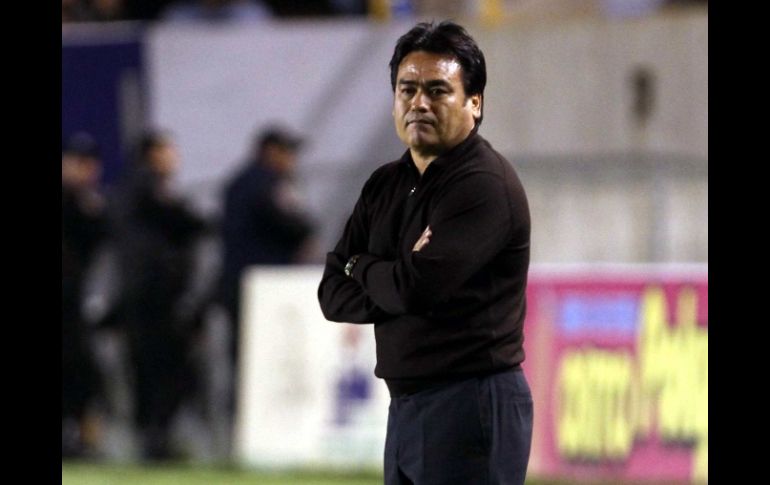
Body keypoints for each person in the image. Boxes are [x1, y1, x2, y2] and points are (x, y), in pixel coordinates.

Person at [318, 21, 533, 485]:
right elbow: (331, 292)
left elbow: (415, 289)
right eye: (407, 88)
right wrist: (387, 275)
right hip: (407, 406)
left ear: (474, 103)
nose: (419, 102)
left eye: (438, 90)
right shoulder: (385, 184)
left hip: (471, 404)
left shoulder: (482, 185)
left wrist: (364, 266)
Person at [109, 129, 209, 460]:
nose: (174, 157)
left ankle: (154, 440)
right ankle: (154, 441)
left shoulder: (133, 188)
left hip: (144, 296)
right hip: (152, 298)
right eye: (168, 150)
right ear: (153, 154)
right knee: (165, 370)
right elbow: (181, 220)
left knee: (154, 371)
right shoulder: (146, 185)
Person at [218, 125, 316, 367]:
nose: (292, 160)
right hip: (264, 285)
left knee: (244, 356)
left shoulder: (238, 183)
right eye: (287, 152)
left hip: (240, 282)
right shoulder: (265, 182)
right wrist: (305, 230)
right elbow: (293, 224)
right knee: (266, 355)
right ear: (271, 152)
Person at [62, 132, 108, 458]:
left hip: (73, 303)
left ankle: (78, 437)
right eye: (77, 162)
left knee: (82, 371)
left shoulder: (91, 203)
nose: (84, 170)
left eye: (89, 163)